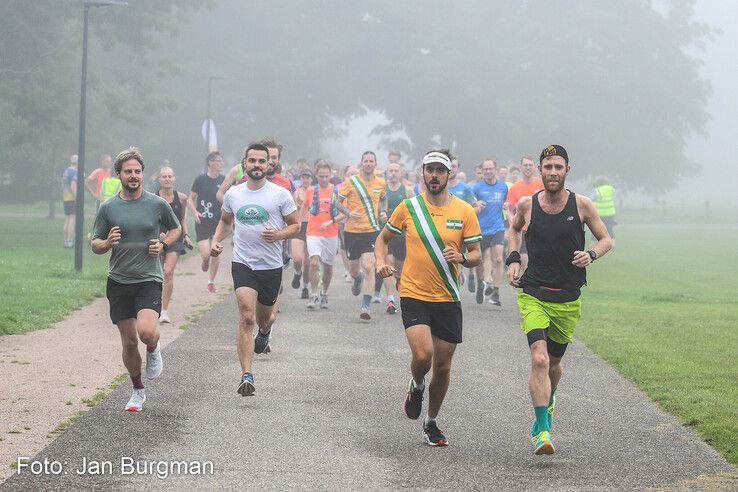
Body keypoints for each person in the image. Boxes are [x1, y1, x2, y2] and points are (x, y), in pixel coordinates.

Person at [507, 144, 612, 455]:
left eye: (558, 167)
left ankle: (549, 403)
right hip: (534, 293)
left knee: (553, 363)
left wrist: (591, 254)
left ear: (568, 171)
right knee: (538, 358)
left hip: (567, 297)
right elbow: (513, 231)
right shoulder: (527, 205)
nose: (553, 172)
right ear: (540, 170)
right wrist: (514, 258)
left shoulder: (582, 206)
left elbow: (606, 239)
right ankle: (542, 431)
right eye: (548, 167)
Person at [376, 150, 482, 446]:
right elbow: (382, 239)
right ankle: (417, 384)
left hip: (448, 296)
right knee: (423, 356)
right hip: (413, 292)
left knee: (444, 366)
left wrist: (461, 256)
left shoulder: (464, 211)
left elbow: (476, 255)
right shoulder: (409, 207)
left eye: (440, 170)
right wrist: (379, 262)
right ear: (423, 173)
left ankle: (431, 422)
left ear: (449, 175)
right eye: (429, 170)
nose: (434, 175)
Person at [90, 147, 181, 412]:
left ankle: (153, 347)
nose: (133, 176)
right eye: (128, 171)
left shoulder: (157, 204)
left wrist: (163, 244)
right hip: (118, 281)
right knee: (129, 342)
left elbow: (176, 228)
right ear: (118, 174)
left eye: (137, 171)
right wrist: (107, 242)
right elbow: (94, 243)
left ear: (143, 173)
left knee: (146, 332)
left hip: (148, 278)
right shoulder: (108, 207)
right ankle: (137, 390)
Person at [210, 143, 299, 396]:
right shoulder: (234, 194)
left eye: (262, 161)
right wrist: (217, 240)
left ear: (268, 164)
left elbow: (295, 226)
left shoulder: (280, 194)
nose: (258, 165)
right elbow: (226, 222)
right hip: (243, 263)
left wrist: (279, 234)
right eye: (253, 161)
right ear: (244, 164)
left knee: (264, 317)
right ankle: (246, 375)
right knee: (246, 317)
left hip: (270, 265)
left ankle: (266, 331)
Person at [336, 151, 387, 320]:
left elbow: (384, 198)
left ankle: (366, 306)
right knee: (354, 270)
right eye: (365, 161)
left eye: (371, 161)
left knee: (368, 266)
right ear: (361, 163)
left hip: (371, 230)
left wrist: (383, 211)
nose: (368, 163)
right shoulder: (351, 182)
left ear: (375, 164)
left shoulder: (381, 182)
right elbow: (337, 202)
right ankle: (356, 278)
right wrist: (348, 212)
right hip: (352, 231)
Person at [302, 161, 344, 309]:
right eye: (321, 176)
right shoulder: (310, 191)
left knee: (328, 266)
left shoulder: (336, 191)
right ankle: (313, 295)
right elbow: (304, 209)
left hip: (331, 233)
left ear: (330, 175)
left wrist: (331, 221)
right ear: (316, 175)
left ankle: (324, 293)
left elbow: (344, 213)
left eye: (326, 176)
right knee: (314, 262)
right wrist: (299, 225)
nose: (324, 179)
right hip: (313, 232)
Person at [375, 162, 414, 314]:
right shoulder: (382, 190)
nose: (393, 173)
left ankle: (399, 278)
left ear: (401, 173)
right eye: (390, 170)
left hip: (403, 234)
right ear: (386, 172)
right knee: (388, 262)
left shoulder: (407, 190)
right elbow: (375, 206)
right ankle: (391, 299)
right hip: (386, 232)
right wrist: (381, 214)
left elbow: (414, 210)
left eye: (396, 171)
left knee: (400, 266)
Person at [156, 166, 193, 324]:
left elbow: (182, 218)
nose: (167, 179)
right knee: (156, 274)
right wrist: (157, 233)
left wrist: (186, 235)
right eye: (164, 176)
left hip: (175, 238)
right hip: (157, 239)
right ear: (159, 179)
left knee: (168, 272)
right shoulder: (153, 198)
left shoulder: (182, 198)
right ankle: (153, 305)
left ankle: (164, 311)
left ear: (174, 179)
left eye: (170, 176)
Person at [473, 159, 508, 306]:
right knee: (481, 260)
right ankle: (482, 284)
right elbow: (470, 209)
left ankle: (495, 291)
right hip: (481, 228)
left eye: (490, 169)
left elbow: (503, 204)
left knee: (498, 258)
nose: (487, 171)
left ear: (495, 169)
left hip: (498, 227)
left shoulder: (503, 187)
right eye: (485, 169)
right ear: (482, 170)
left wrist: (505, 207)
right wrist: (476, 206)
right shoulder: (477, 188)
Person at [188, 152, 225, 293]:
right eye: (218, 161)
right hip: (202, 220)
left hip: (218, 221)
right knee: (205, 254)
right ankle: (204, 262)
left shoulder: (224, 180)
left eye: (222, 161)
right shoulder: (200, 180)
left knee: (215, 252)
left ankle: (211, 281)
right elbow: (191, 198)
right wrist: (194, 212)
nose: (221, 163)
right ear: (210, 163)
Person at [448, 156, 481, 293]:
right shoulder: (438, 187)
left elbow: (476, 207)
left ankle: (458, 275)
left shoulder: (465, 188)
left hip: (459, 230)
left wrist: (462, 216)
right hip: (440, 228)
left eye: (454, 166)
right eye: (449, 166)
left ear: (457, 168)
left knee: (454, 257)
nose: (451, 169)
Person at [506, 156, 544, 272]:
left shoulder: (542, 184)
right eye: (525, 165)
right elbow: (509, 208)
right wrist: (512, 221)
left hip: (541, 228)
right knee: (525, 261)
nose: (528, 168)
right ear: (520, 167)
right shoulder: (515, 188)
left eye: (530, 165)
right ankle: (528, 286)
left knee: (541, 260)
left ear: (535, 167)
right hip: (523, 229)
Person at [290, 169, 313, 299]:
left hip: (311, 227)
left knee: (308, 262)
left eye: (307, 178)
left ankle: (305, 287)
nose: (305, 180)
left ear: (311, 179)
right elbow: (292, 208)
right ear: (301, 179)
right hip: (299, 226)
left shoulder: (315, 192)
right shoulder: (296, 192)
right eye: (303, 178)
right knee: (297, 258)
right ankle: (297, 272)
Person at [592, 176, 616, 246]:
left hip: (600, 213)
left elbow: (591, 199)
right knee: (610, 228)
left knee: (596, 228)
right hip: (610, 213)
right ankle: (613, 244)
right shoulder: (611, 189)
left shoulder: (597, 190)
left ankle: (594, 244)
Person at [62, 154, 78, 248]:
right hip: (72, 198)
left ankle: (65, 241)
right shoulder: (75, 172)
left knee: (67, 219)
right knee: (72, 220)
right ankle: (70, 241)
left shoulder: (66, 171)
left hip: (65, 198)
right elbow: (73, 186)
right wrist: (78, 198)